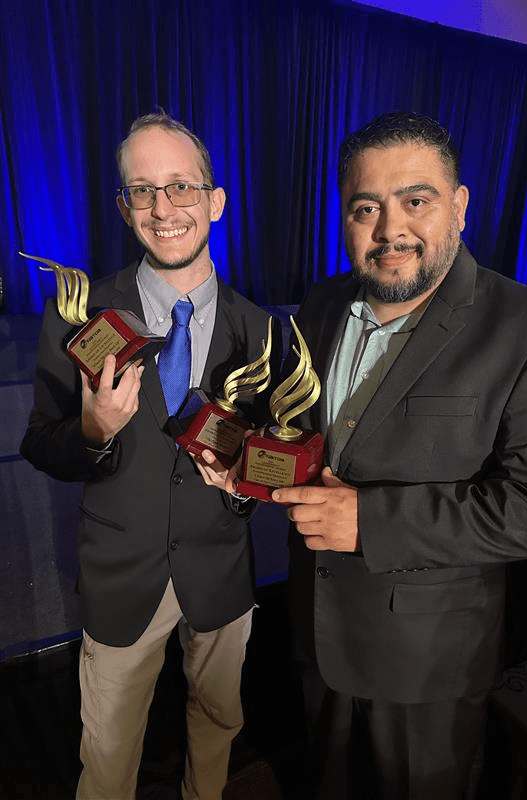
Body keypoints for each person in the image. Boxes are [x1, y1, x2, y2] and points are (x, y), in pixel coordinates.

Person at [271, 111, 527, 799]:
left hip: (427, 666)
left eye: (416, 200)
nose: (391, 230)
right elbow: (313, 435)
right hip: (315, 635)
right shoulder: (322, 303)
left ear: (460, 206)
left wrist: (373, 522)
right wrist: (247, 462)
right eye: (366, 208)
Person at [20, 112, 280, 800]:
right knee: (107, 751)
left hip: (220, 573)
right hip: (119, 577)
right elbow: (39, 442)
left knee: (219, 723)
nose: (163, 209)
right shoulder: (80, 313)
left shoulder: (261, 331)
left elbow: (265, 463)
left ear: (215, 201)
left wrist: (239, 484)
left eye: (180, 187)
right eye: (142, 190)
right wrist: (94, 430)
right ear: (123, 205)